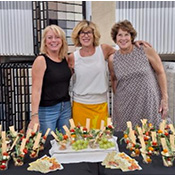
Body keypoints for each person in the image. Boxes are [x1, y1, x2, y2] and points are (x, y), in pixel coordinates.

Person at [68, 20, 150, 129]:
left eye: (89, 32)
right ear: (77, 36)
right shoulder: (72, 57)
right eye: (82, 33)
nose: (85, 36)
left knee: (101, 140)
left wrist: (133, 43)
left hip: (100, 105)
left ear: (94, 35)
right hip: (80, 105)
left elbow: (123, 51)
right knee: (81, 141)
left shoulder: (103, 50)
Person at [108, 20, 169, 131]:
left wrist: (164, 98)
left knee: (153, 137)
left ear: (132, 36)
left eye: (126, 34)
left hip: (148, 102)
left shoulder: (146, 51)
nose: (123, 38)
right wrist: (119, 101)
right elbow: (114, 79)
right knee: (127, 139)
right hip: (125, 106)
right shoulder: (113, 59)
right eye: (120, 35)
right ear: (115, 38)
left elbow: (160, 72)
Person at [28, 25, 72, 134]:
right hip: (47, 110)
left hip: (65, 107)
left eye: (57, 37)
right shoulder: (41, 60)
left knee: (64, 143)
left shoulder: (65, 59)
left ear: (62, 40)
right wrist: (34, 116)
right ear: (45, 41)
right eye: (50, 37)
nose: (54, 41)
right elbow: (36, 90)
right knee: (47, 144)